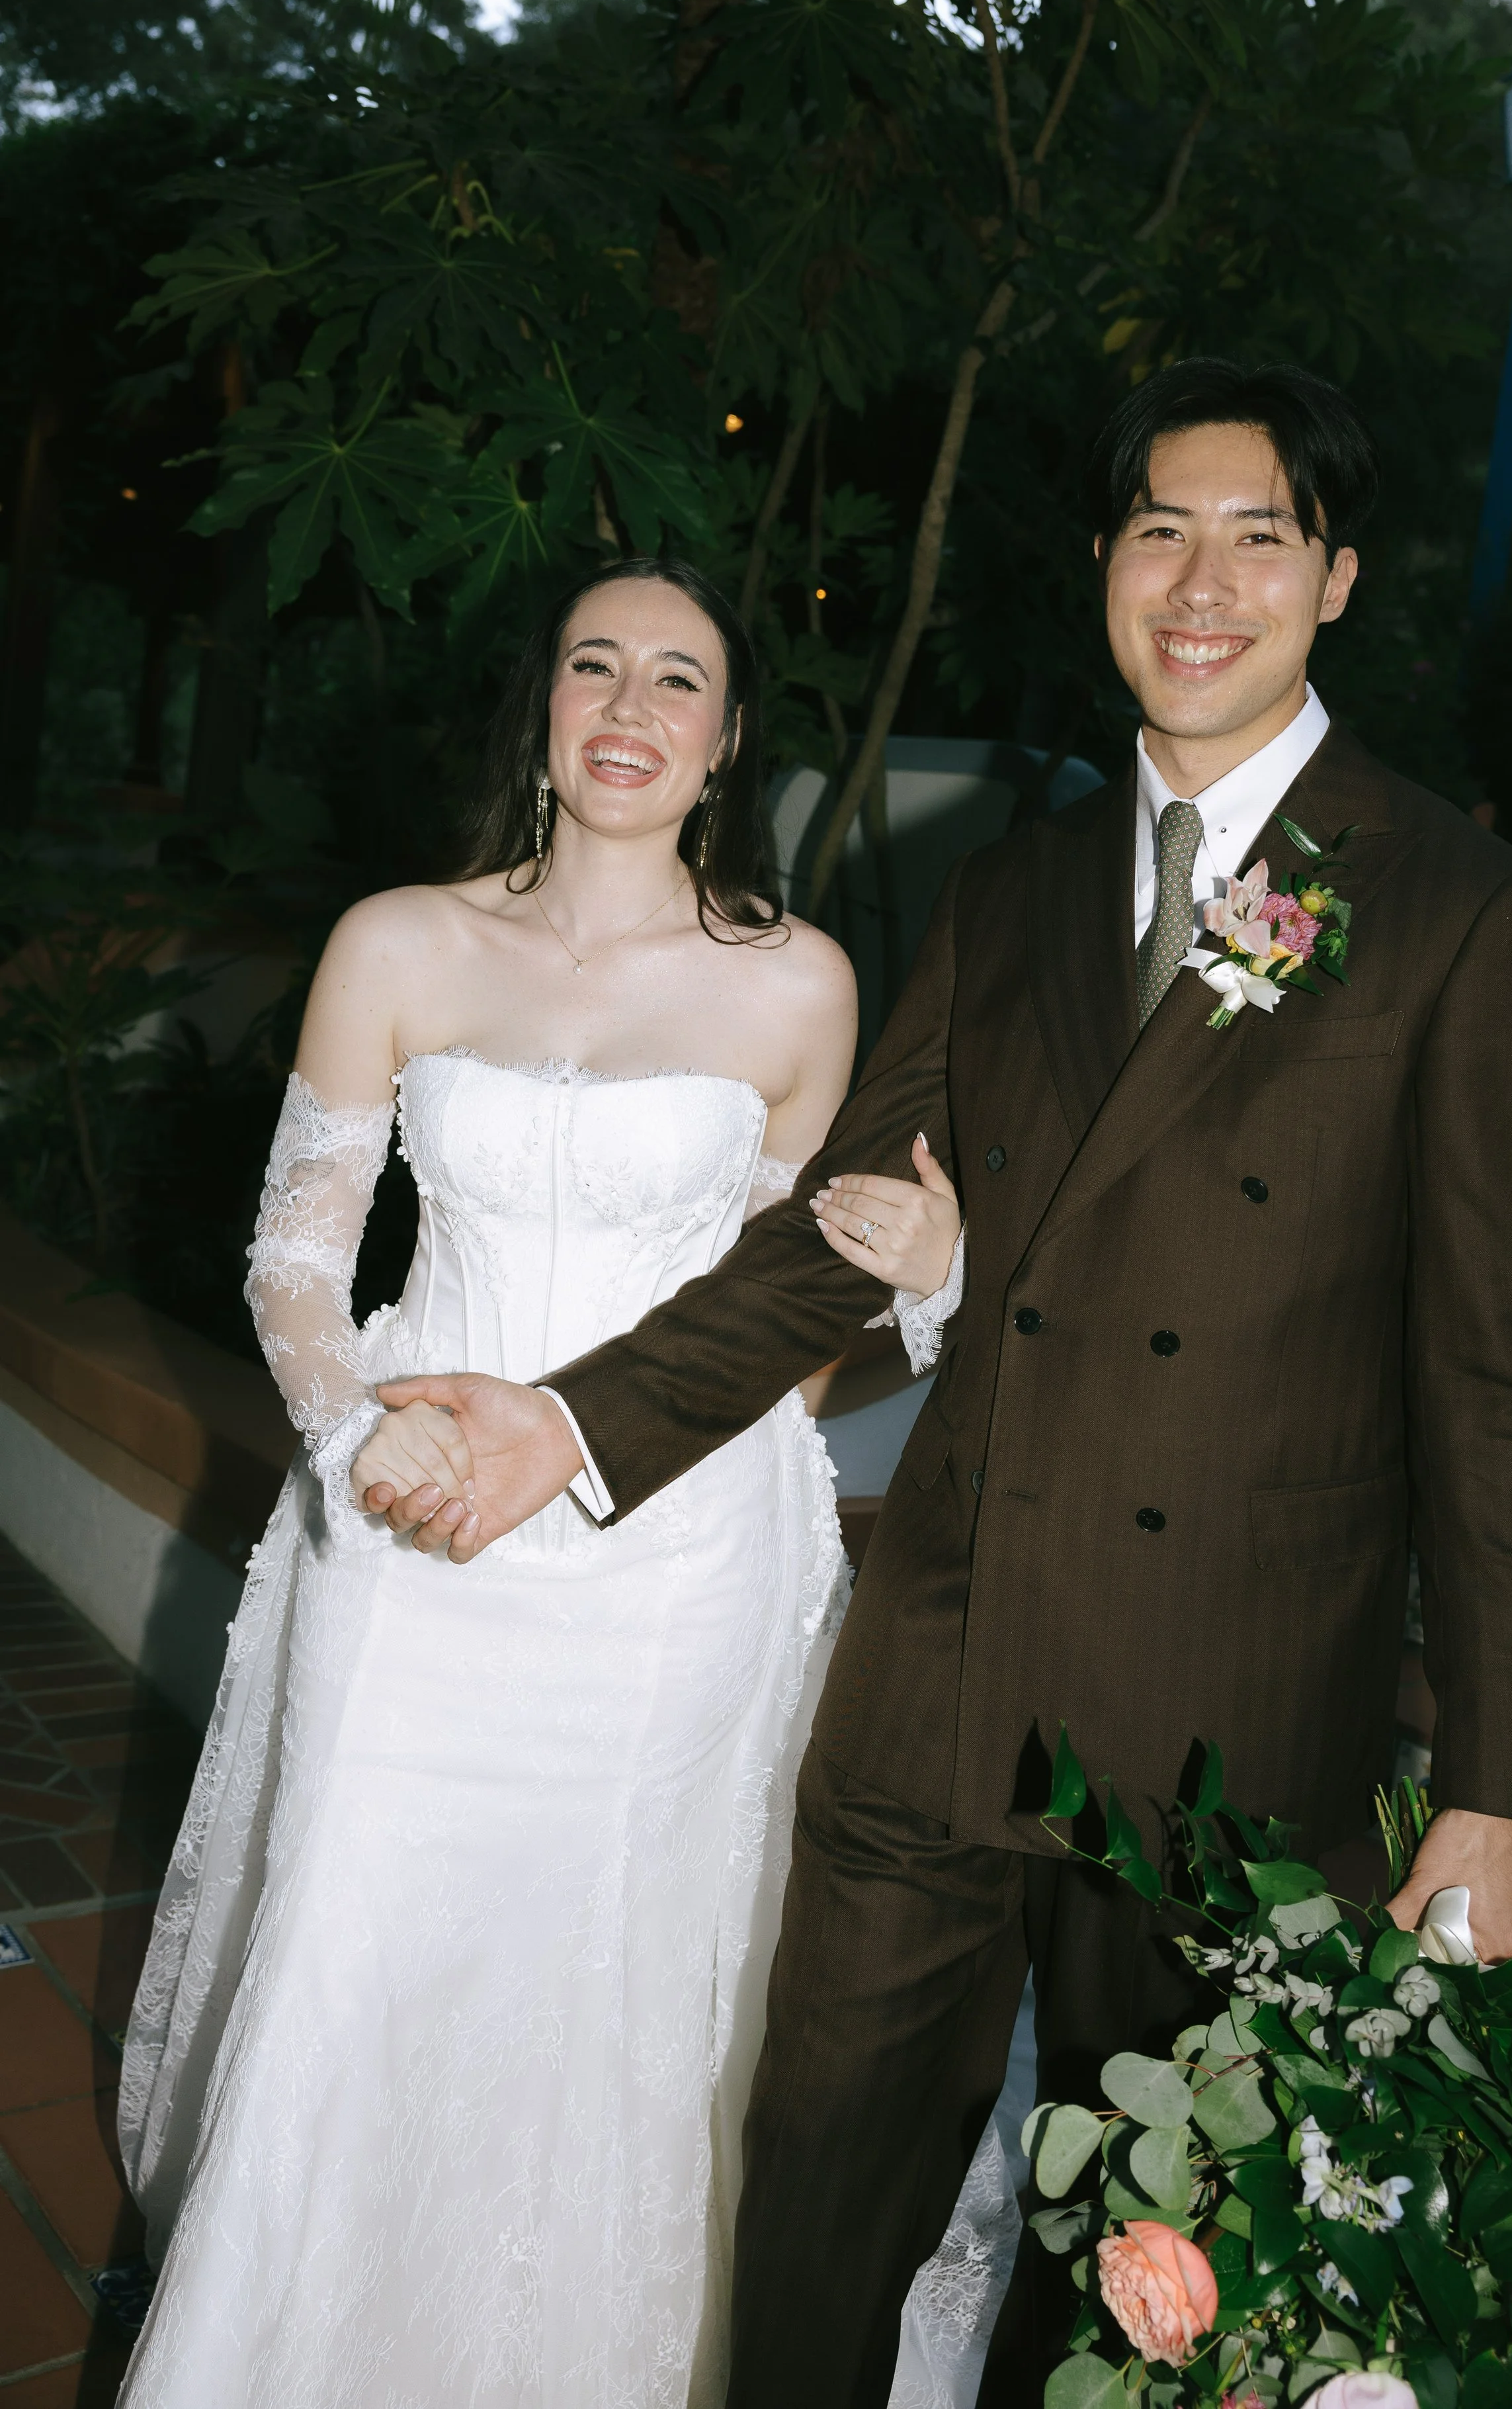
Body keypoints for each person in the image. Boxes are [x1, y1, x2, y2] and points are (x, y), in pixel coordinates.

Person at [368, 361, 1512, 2406]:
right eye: (1154, 530)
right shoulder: (1014, 885)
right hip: (936, 1668)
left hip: (1218, 1716)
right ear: (1104, 565)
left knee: (1140, 2271)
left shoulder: (1461, 909)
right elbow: (829, 1229)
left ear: (1335, 577)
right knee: (815, 2205)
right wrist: (570, 1418)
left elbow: (1493, 1380)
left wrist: (1492, 1784)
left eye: (1255, 533)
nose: (1197, 582)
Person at [113, 558, 964, 2406]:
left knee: (626, 2003)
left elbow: (784, 1329)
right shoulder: (400, 942)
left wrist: (928, 1273)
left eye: (679, 678)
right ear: (546, 705)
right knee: (371, 1961)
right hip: (415, 1546)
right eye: (598, 665)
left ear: (728, 738)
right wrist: (362, 1434)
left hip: (681, 1573)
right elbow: (291, 1257)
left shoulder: (799, 981)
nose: (632, 707)